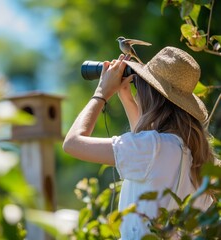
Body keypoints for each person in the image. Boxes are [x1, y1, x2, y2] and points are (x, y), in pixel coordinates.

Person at [63, 46, 215, 239]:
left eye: (139, 89)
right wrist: (125, 97)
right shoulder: (194, 156)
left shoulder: (153, 148)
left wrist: (101, 92)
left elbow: (72, 144)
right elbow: (149, 156)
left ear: (149, 96)